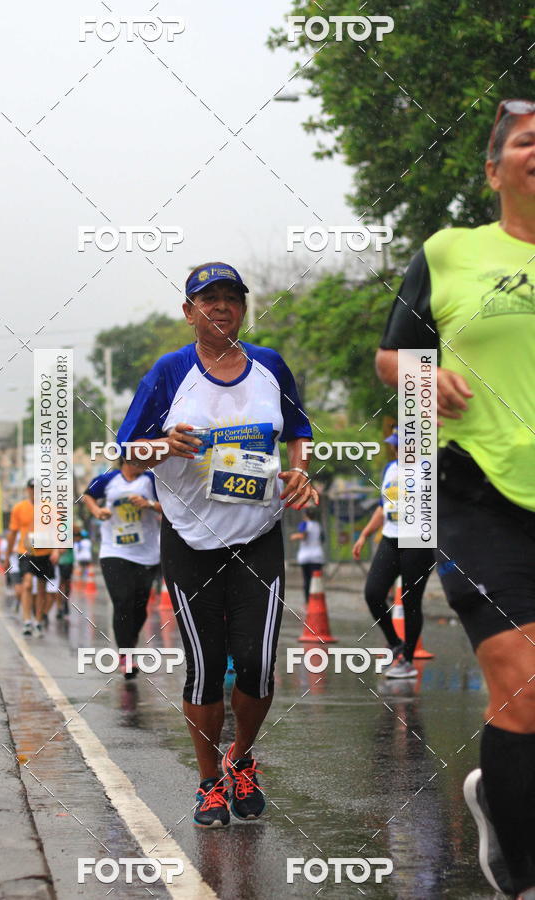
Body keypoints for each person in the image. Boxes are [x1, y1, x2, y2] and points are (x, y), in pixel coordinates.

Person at [375, 100, 535, 899]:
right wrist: (421, 375)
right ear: (494, 168)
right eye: (527, 140)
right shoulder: (451, 251)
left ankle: (504, 805)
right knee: (524, 679)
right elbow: (390, 356)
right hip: (477, 489)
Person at [117, 261, 317, 828]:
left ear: (244, 308)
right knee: (203, 670)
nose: (222, 307)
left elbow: (299, 431)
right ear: (189, 312)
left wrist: (302, 472)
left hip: (258, 533)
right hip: (188, 539)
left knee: (256, 663)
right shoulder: (168, 372)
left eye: (232, 298)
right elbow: (129, 461)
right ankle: (208, 782)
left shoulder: (269, 366)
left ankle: (242, 758)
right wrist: (164, 445)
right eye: (209, 299)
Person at [352, 428, 434, 678]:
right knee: (373, 594)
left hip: (418, 540)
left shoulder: (429, 469)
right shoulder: (390, 469)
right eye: (395, 445)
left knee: (410, 602)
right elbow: (383, 507)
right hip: (390, 538)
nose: (396, 450)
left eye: (401, 446)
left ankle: (407, 661)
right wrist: (365, 534)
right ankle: (395, 642)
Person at [83, 456, 162, 679]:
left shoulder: (151, 480)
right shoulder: (109, 479)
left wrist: (149, 504)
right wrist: (97, 511)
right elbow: (87, 496)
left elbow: (170, 508)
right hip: (114, 550)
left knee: (139, 606)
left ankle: (130, 641)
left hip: (146, 553)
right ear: (127, 460)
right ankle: (126, 655)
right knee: (122, 600)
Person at [4, 478, 58, 637]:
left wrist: (56, 551)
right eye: (31, 488)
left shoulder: (50, 509)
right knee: (27, 584)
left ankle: (38, 621)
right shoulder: (19, 508)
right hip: (26, 552)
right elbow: (12, 533)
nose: (34, 491)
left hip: (44, 553)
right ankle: (27, 621)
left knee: (42, 588)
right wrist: (6, 556)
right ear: (27, 490)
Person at [289, 508, 325, 603]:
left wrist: (294, 536)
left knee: (307, 580)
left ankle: (308, 601)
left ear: (305, 515)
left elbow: (303, 536)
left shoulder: (304, 524)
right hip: (317, 556)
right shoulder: (318, 525)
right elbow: (322, 539)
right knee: (316, 580)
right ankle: (317, 600)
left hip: (305, 557)